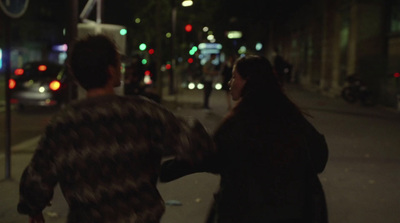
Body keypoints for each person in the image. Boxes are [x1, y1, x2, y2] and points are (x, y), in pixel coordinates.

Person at [17, 34, 214, 223]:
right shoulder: (141, 112)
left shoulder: (62, 125)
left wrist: (33, 208)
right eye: (119, 63)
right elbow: (194, 142)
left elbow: (35, 181)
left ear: (77, 75)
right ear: (111, 71)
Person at [160, 55, 329, 222]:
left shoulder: (239, 122)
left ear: (249, 80)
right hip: (294, 212)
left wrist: (164, 170)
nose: (230, 82)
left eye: (234, 77)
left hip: (246, 211)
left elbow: (210, 156)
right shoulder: (291, 117)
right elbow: (319, 157)